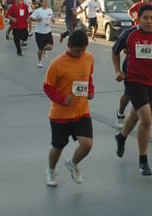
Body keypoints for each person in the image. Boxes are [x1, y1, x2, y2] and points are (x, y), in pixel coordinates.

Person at [113, 5, 152, 176]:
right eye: (145, 18)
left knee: (134, 114)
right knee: (146, 120)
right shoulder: (130, 34)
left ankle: (122, 137)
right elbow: (115, 50)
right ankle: (143, 160)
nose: (149, 21)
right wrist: (118, 70)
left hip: (151, 81)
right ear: (138, 19)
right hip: (133, 80)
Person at [43, 29, 94, 186]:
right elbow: (47, 87)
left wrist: (90, 91)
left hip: (81, 111)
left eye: (83, 50)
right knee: (58, 147)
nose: (80, 53)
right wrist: (62, 99)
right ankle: (50, 171)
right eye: (77, 50)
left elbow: (88, 77)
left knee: (87, 144)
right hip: (60, 114)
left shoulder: (89, 57)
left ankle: (72, 164)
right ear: (68, 46)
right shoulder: (57, 64)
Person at [29, 0, 55, 68]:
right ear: (41, 3)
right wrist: (37, 20)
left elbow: (51, 17)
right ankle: (40, 62)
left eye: (46, 1)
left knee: (50, 47)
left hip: (48, 31)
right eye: (44, 1)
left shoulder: (50, 10)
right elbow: (30, 18)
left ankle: (45, 49)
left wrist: (53, 20)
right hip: (39, 32)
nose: (46, 3)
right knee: (40, 49)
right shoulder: (38, 11)